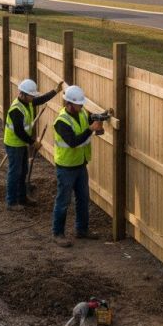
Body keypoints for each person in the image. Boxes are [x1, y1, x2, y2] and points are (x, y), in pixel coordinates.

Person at [51, 85, 104, 247]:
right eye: (79, 104)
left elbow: (88, 120)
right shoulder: (61, 122)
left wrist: (101, 117)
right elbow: (73, 142)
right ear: (68, 105)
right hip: (66, 167)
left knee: (83, 199)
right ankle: (58, 233)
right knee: (63, 201)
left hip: (80, 164)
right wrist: (91, 129)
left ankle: (82, 230)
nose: (82, 106)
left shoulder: (80, 113)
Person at [4, 78, 61, 210]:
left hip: (21, 144)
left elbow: (41, 100)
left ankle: (22, 198)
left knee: (23, 171)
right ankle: (11, 202)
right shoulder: (16, 110)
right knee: (15, 173)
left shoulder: (27, 102)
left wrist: (55, 91)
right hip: (14, 145)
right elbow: (19, 131)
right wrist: (32, 143)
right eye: (31, 95)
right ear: (23, 94)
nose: (33, 98)